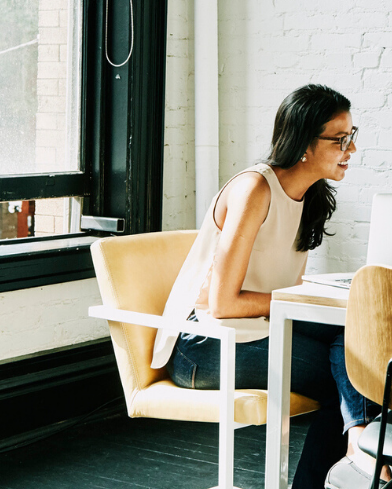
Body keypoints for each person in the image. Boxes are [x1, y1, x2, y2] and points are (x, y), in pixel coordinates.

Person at [151, 84, 373, 489]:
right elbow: (222, 304)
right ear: (305, 142)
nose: (351, 149)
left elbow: (278, 284)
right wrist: (298, 300)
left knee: (360, 338)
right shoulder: (255, 188)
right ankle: (356, 447)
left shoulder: (310, 195)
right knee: (355, 378)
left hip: (257, 330)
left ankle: (355, 444)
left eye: (352, 137)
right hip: (205, 345)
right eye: (341, 139)